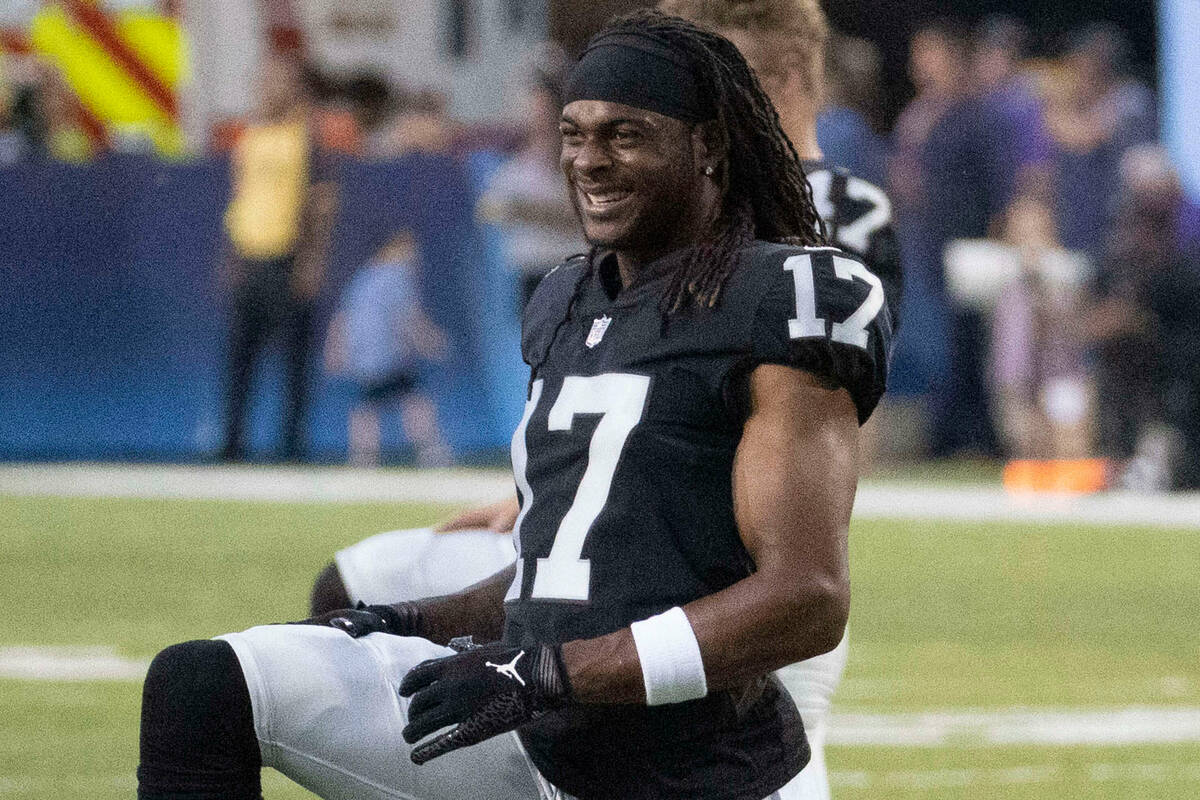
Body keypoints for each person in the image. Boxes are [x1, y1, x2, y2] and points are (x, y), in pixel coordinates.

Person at [137, 10, 894, 800]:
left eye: (624, 135)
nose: (589, 161)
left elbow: (806, 599)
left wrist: (546, 674)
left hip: (696, 773)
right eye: (575, 134)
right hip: (544, 741)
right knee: (203, 686)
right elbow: (572, 574)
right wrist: (417, 621)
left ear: (706, 145)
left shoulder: (786, 296)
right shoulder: (569, 295)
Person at [219, 54, 338, 462]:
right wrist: (231, 253)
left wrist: (312, 259)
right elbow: (240, 197)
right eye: (264, 80)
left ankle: (291, 446)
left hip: (287, 257)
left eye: (277, 80)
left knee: (293, 361)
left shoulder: (304, 136)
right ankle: (232, 444)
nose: (267, 88)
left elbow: (321, 202)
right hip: (251, 254)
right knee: (239, 359)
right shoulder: (250, 135)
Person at [324, 231, 451, 467]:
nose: (414, 257)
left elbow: (342, 318)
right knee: (412, 399)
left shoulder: (362, 278)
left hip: (363, 355)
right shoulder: (397, 276)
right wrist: (429, 341)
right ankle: (431, 451)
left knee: (369, 404)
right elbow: (408, 317)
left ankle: (363, 458)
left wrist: (336, 350)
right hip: (386, 354)